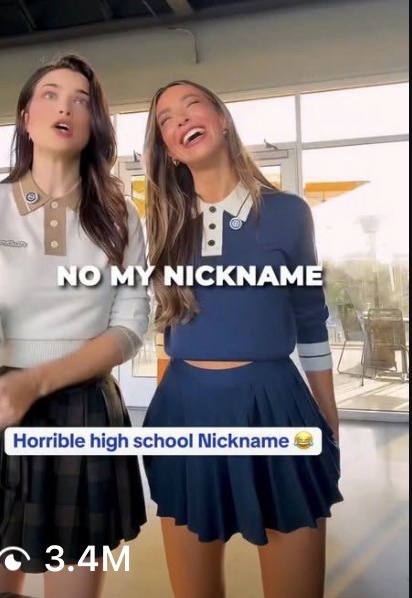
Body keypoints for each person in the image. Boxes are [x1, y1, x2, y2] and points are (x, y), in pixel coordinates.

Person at [142, 80, 342, 598]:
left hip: (274, 407)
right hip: (184, 411)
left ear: (222, 119)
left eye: (192, 105)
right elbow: (169, 325)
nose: (180, 119)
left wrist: (328, 410)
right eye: (166, 119)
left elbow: (310, 315)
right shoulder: (162, 225)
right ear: (168, 148)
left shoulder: (289, 212)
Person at [0, 55, 149, 598]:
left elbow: (130, 325)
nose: (65, 108)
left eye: (81, 100)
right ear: (26, 118)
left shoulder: (122, 216)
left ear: (94, 124)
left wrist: (38, 381)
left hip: (86, 411)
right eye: (50, 95)